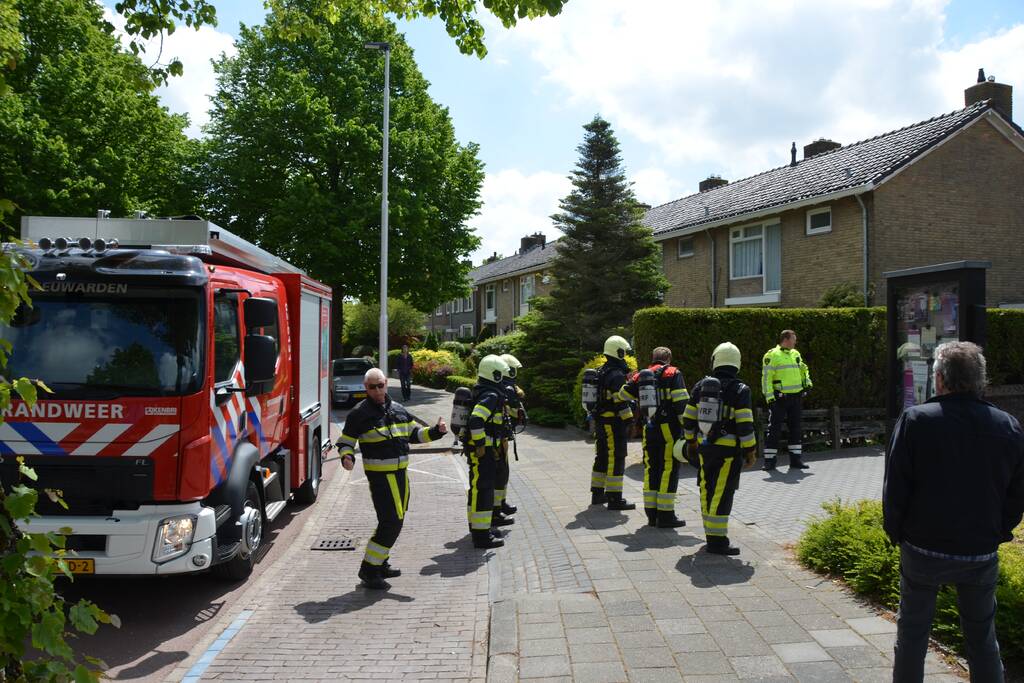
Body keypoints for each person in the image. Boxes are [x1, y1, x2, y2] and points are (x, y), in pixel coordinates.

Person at [883, 341, 1024, 683]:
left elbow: (896, 486)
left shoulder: (916, 420)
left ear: (940, 380)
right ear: (980, 380)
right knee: (982, 637)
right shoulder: (1008, 426)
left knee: (912, 633)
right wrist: (998, 532)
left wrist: (896, 532)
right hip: (979, 550)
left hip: (923, 547)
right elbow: (1016, 494)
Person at [335, 368, 447, 590]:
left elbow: (414, 435)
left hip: (401, 474)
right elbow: (346, 442)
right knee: (392, 522)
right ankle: (369, 570)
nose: (377, 390)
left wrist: (436, 431)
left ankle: (381, 564)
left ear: (386, 383)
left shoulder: (398, 409)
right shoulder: (359, 414)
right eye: (372, 387)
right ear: (365, 388)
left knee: (392, 520)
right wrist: (347, 457)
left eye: (380, 385)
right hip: (380, 478)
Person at [682, 342, 757, 555]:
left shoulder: (701, 386)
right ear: (737, 362)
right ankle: (717, 541)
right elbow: (745, 424)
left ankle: (710, 534)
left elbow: (688, 418)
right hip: (728, 452)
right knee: (722, 493)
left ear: (715, 360)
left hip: (704, 447)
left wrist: (691, 442)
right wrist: (750, 450)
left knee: (707, 489)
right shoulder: (741, 390)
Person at [616, 346, 689, 528]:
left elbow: (622, 394)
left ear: (653, 358)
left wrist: (634, 383)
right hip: (668, 429)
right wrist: (688, 431)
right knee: (668, 469)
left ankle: (651, 515)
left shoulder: (642, 375)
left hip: (649, 428)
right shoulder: (673, 373)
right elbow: (681, 404)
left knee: (651, 468)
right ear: (668, 359)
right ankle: (666, 515)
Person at [466, 355, 510, 549]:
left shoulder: (483, 391)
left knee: (478, 489)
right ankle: (481, 536)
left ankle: (478, 528)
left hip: (484, 451)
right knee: (483, 490)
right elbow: (476, 420)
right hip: (483, 453)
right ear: (495, 375)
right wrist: (481, 445)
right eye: (502, 375)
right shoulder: (490, 395)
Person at [590, 335, 636, 511]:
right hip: (613, 422)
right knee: (616, 457)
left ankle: (597, 493)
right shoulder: (616, 375)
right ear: (619, 352)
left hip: (601, 420)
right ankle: (615, 498)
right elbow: (620, 401)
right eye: (624, 352)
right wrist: (630, 420)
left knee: (602, 456)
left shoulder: (602, 370)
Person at [761, 329, 813, 471]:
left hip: (796, 398)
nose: (795, 342)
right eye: (794, 339)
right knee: (774, 430)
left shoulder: (795, 354)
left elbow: (803, 369)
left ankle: (796, 460)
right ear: (786, 339)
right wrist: (770, 398)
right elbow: (766, 378)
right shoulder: (772, 355)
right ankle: (769, 461)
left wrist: (807, 383)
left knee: (795, 429)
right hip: (779, 399)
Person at [493, 353, 524, 526]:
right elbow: (513, 412)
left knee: (503, 472)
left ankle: (501, 503)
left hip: (501, 437)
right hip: (497, 439)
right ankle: (496, 509)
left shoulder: (502, 387)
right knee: (500, 473)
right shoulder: (507, 389)